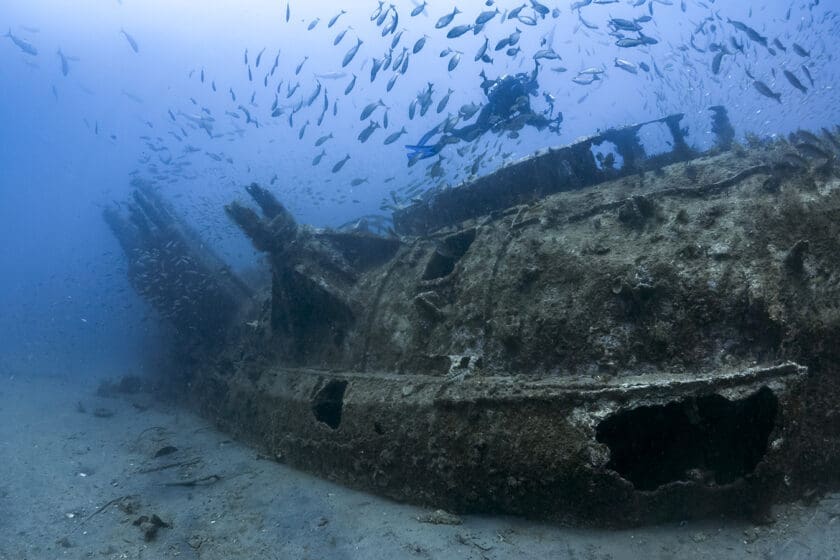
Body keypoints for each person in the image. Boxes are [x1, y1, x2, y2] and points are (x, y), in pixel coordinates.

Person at [406, 64, 562, 162]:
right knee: (474, 132)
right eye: (533, 89)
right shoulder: (521, 92)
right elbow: (527, 116)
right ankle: (446, 133)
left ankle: (445, 133)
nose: (533, 93)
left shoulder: (516, 88)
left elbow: (522, 114)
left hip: (491, 109)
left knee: (474, 131)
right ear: (530, 85)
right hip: (493, 112)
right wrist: (545, 122)